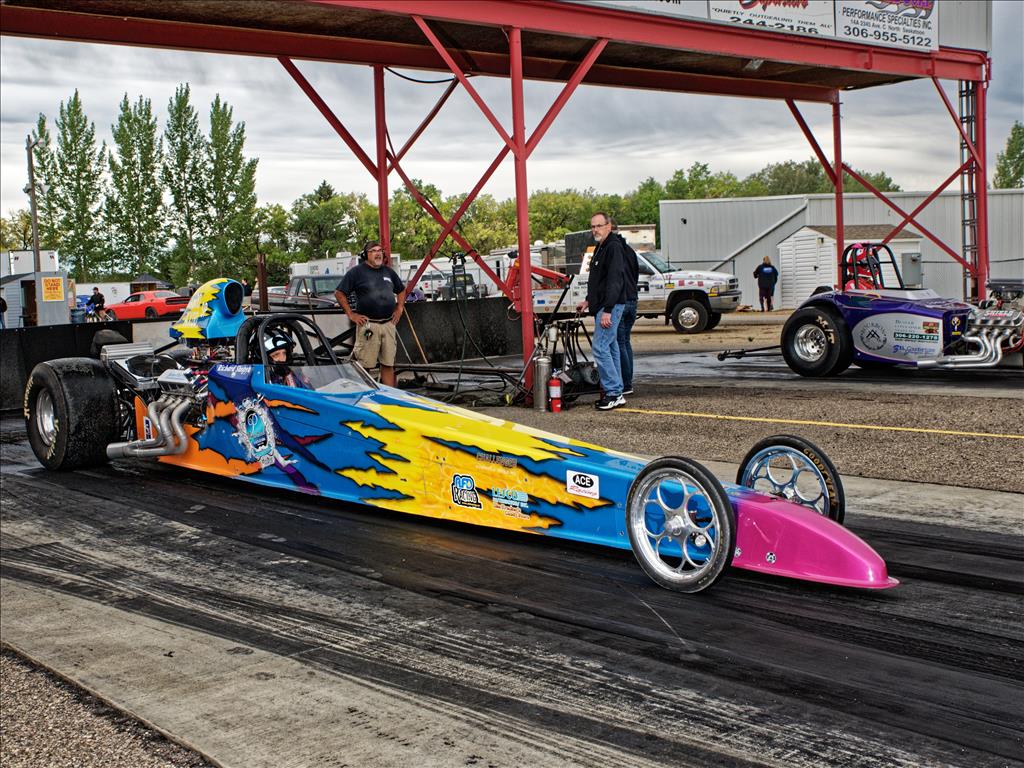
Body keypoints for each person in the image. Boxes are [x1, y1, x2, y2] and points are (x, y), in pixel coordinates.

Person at [334, 241, 406, 387]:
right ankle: (365, 398)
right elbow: (339, 293)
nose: (378, 253)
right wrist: (351, 314)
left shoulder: (388, 272)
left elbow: (401, 290)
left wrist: (399, 307)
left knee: (388, 363)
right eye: (373, 251)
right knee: (364, 364)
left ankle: (389, 399)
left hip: (388, 324)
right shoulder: (356, 272)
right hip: (368, 326)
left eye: (380, 250)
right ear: (366, 255)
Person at [576, 212, 627, 411]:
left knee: (599, 347)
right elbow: (600, 282)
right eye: (593, 226)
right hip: (604, 306)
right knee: (611, 348)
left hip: (610, 307)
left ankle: (613, 392)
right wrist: (589, 301)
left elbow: (615, 280)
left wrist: (608, 309)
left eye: (599, 225)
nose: (595, 229)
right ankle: (617, 391)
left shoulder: (613, 247)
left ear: (608, 226)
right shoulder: (601, 247)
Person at [615, 227, 639, 397]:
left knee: (619, 343)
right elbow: (635, 274)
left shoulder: (614, 251)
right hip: (632, 300)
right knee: (626, 342)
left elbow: (614, 279)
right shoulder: (630, 250)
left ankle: (624, 383)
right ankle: (628, 381)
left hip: (621, 302)